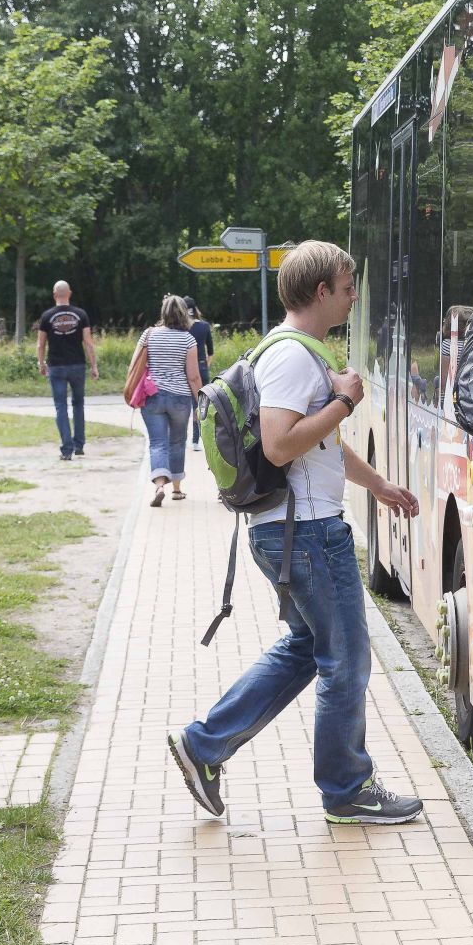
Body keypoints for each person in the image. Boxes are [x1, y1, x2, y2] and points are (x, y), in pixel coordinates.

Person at [168, 241, 425, 825]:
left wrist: (377, 484)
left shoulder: (298, 353)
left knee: (309, 650)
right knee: (347, 662)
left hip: (295, 529)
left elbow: (317, 447)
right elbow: (283, 442)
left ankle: (203, 747)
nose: (355, 294)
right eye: (348, 284)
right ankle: (346, 789)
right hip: (306, 534)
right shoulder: (290, 358)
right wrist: (343, 401)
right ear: (321, 292)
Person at [131, 295, 203, 506]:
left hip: (152, 396)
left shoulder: (149, 334)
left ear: (163, 313)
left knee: (158, 443)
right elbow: (193, 376)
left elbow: (135, 363)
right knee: (177, 442)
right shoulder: (188, 339)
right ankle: (177, 489)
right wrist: (200, 401)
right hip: (180, 398)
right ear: (184, 313)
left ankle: (160, 485)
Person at [36, 280, 98, 461]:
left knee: (60, 406)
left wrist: (41, 363)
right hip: (77, 365)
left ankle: (66, 449)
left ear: (54, 294)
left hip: (56, 366)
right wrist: (94, 366)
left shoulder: (47, 316)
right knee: (78, 405)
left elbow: (40, 344)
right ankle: (79, 445)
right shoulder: (81, 314)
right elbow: (88, 343)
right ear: (69, 293)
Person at [186, 297, 214, 449]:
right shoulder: (204, 326)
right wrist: (204, 366)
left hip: (186, 369)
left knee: (190, 404)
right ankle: (202, 439)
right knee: (203, 404)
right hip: (202, 367)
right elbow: (211, 352)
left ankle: (191, 439)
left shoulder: (182, 327)